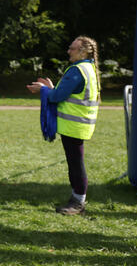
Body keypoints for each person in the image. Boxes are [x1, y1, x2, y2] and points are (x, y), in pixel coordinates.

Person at [27, 36, 101, 215]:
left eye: (72, 48)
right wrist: (51, 88)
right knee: (75, 162)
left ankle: (78, 202)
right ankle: (77, 198)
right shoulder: (88, 68)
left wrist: (43, 90)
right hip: (80, 124)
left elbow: (56, 97)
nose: (69, 51)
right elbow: (63, 93)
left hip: (73, 125)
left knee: (75, 164)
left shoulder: (77, 70)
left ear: (83, 51)